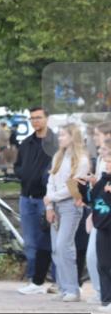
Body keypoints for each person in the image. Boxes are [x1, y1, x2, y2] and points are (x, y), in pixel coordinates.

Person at [21, 124, 89, 299]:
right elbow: (51, 180)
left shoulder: (81, 160)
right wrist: (50, 205)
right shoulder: (58, 156)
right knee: (56, 249)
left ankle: (73, 289)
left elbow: (73, 186)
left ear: (73, 137)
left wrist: (52, 198)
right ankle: (63, 287)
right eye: (59, 135)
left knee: (64, 246)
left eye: (63, 135)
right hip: (55, 205)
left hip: (70, 207)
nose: (59, 138)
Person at [14, 107, 57, 281]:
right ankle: (34, 279)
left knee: (52, 241)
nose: (35, 121)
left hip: (47, 198)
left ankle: (57, 279)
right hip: (27, 197)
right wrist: (23, 174)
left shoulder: (55, 143)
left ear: (47, 119)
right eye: (32, 118)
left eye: (38, 118)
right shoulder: (26, 143)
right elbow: (18, 165)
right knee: (30, 242)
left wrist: (44, 178)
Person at [85, 122, 111, 303]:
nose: (94, 138)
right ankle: (104, 295)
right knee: (98, 259)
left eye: (97, 134)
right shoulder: (103, 166)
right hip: (101, 217)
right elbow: (95, 195)